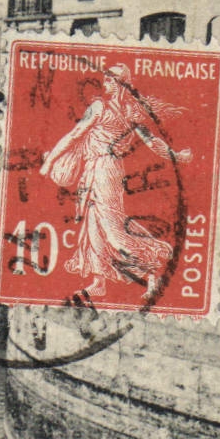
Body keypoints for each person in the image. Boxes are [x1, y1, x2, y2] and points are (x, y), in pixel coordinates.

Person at [40, 65, 191, 301]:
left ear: (121, 84)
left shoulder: (118, 110)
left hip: (106, 171)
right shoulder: (115, 108)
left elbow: (151, 142)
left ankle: (152, 272)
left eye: (110, 81)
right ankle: (99, 283)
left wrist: (49, 163)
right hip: (94, 169)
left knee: (113, 231)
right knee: (92, 228)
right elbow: (76, 133)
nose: (105, 84)